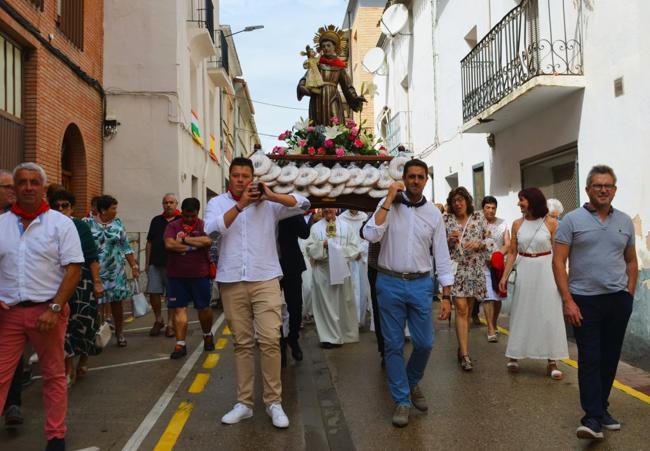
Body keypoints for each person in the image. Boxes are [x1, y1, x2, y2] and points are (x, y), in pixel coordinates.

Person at [205, 157, 309, 429]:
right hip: (231, 279)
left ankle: (274, 402)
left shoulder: (270, 204)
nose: (240, 180)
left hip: (265, 278)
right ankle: (244, 404)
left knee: (271, 340)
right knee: (242, 343)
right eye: (236, 175)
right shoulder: (217, 203)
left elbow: (304, 204)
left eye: (245, 176)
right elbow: (211, 231)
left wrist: (272, 195)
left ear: (252, 178)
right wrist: (241, 206)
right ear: (230, 177)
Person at [363, 159, 453, 428]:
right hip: (388, 282)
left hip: (420, 284)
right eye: (411, 176)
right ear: (403, 178)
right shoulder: (388, 205)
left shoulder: (434, 214)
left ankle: (412, 381)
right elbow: (370, 234)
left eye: (420, 177)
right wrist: (389, 198)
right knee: (392, 345)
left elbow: (442, 255)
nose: (415, 181)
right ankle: (402, 399)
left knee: (425, 342)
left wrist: (446, 294)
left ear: (426, 180)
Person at [0, 163, 84, 451]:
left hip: (48, 312)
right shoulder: (1, 224)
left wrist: (56, 308)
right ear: (13, 189)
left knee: (53, 375)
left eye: (34, 182)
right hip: (7, 313)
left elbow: (74, 269)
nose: (27, 187)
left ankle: (56, 436)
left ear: (43, 188)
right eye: (21, 182)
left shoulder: (61, 224)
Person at [552, 165, 637, 441]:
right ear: (588, 189)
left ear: (614, 190)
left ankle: (602, 409)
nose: (603, 190)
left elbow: (631, 260)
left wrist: (629, 294)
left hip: (617, 301)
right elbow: (558, 261)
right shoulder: (571, 221)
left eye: (608, 186)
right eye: (598, 185)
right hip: (584, 301)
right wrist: (567, 300)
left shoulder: (624, 221)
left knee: (610, 358)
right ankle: (590, 418)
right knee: (590, 358)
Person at [498, 188, 568, 378]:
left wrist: (562, 276)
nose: (519, 203)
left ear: (533, 201)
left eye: (522, 200)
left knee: (549, 313)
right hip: (525, 269)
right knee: (521, 311)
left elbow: (559, 254)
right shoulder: (517, 224)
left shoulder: (551, 223)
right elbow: (512, 252)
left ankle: (552, 361)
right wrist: (504, 276)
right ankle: (514, 355)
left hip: (547, 270)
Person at [48, 189, 105, 385]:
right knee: (63, 327)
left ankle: (83, 359)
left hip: (82, 282)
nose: (61, 209)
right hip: (56, 283)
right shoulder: (47, 227)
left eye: (65, 205)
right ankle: (68, 369)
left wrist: (97, 282)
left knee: (83, 324)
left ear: (71, 208)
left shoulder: (80, 227)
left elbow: (92, 257)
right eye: (56, 206)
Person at [83, 195, 140, 347]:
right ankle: (96, 335)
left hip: (116, 271)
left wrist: (133, 266)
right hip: (95, 271)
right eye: (113, 208)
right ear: (103, 210)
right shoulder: (86, 223)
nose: (116, 211)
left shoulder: (118, 224)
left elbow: (126, 247)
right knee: (95, 304)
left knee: (117, 304)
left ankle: (120, 333)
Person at [444, 187, 489, 371]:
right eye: (454, 201)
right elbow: (437, 246)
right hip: (456, 270)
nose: (458, 203)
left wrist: (479, 243)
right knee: (461, 309)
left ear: (467, 201)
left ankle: (462, 347)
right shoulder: (446, 219)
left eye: (461, 200)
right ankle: (465, 354)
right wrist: (448, 240)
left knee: (468, 310)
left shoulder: (478, 218)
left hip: (474, 269)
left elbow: (491, 241)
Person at [164, 197, 215, 359]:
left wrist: (185, 240)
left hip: (200, 274)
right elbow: (170, 245)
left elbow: (207, 241)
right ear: (183, 212)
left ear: (197, 213)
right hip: (177, 275)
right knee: (179, 308)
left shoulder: (204, 225)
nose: (189, 219)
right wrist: (196, 245)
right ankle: (180, 344)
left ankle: (207, 334)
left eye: (193, 216)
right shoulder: (172, 226)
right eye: (186, 216)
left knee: (204, 309)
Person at [305, 208, 361, 347]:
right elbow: (309, 248)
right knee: (326, 305)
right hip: (323, 270)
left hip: (342, 269)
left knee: (344, 303)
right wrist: (322, 245)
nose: (328, 210)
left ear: (335, 209)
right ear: (322, 210)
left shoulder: (346, 227)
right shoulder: (316, 227)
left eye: (331, 208)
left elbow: (355, 248)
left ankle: (344, 334)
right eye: (325, 208)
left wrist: (337, 250)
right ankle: (329, 338)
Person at [297, 26, 365, 125]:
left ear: (335, 47)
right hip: (317, 97)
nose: (326, 48)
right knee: (318, 124)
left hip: (333, 97)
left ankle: (334, 140)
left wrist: (355, 98)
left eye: (328, 45)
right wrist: (302, 87)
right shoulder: (317, 64)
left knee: (334, 120)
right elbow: (305, 79)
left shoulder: (339, 67)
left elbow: (347, 86)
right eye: (323, 46)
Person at [0, 169, 25, 428]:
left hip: (11, 301)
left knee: (12, 355)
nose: (13, 191)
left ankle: (13, 404)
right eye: (7, 187)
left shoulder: (20, 220)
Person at [146, 193, 181, 337]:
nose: (168, 205)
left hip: (174, 264)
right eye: (166, 202)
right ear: (163, 204)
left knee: (172, 296)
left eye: (171, 202)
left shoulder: (181, 220)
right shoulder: (156, 220)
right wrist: (147, 263)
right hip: (156, 263)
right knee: (153, 292)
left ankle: (171, 324)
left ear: (176, 204)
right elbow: (149, 242)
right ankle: (158, 320)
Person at [278, 214, 311, 362]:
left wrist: (290, 211)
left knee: (296, 306)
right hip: (269, 265)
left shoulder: (290, 209)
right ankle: (279, 344)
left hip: (291, 264)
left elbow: (304, 232)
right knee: (273, 308)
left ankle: (293, 338)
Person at [481, 196, 510, 342]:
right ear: (483, 208)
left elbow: (507, 243)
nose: (491, 210)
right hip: (483, 265)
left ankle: (494, 322)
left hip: (498, 264)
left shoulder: (502, 223)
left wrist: (498, 254)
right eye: (488, 207)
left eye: (493, 208)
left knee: (498, 297)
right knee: (488, 297)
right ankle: (490, 329)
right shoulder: (477, 223)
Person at [360, 212, 385, 367]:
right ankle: (384, 349)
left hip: (394, 266)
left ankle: (393, 345)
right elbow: (363, 232)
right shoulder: (376, 210)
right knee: (378, 308)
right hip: (376, 266)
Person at [338, 209, 371, 325]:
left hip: (362, 258)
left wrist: (360, 251)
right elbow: (341, 239)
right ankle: (350, 321)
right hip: (349, 259)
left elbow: (367, 237)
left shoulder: (364, 217)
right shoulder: (341, 218)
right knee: (350, 290)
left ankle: (360, 319)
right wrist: (352, 253)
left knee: (362, 289)